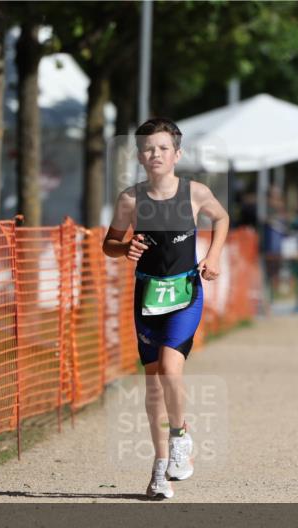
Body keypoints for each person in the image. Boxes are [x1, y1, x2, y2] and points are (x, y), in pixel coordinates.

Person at [102, 118, 230, 500]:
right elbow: (109, 243)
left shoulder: (195, 193)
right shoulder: (130, 199)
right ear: (139, 156)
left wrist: (214, 255)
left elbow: (221, 218)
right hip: (147, 296)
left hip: (185, 293)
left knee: (171, 369)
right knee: (153, 382)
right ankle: (160, 468)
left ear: (178, 154)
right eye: (147, 148)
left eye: (162, 148)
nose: (154, 154)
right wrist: (125, 249)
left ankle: (180, 437)